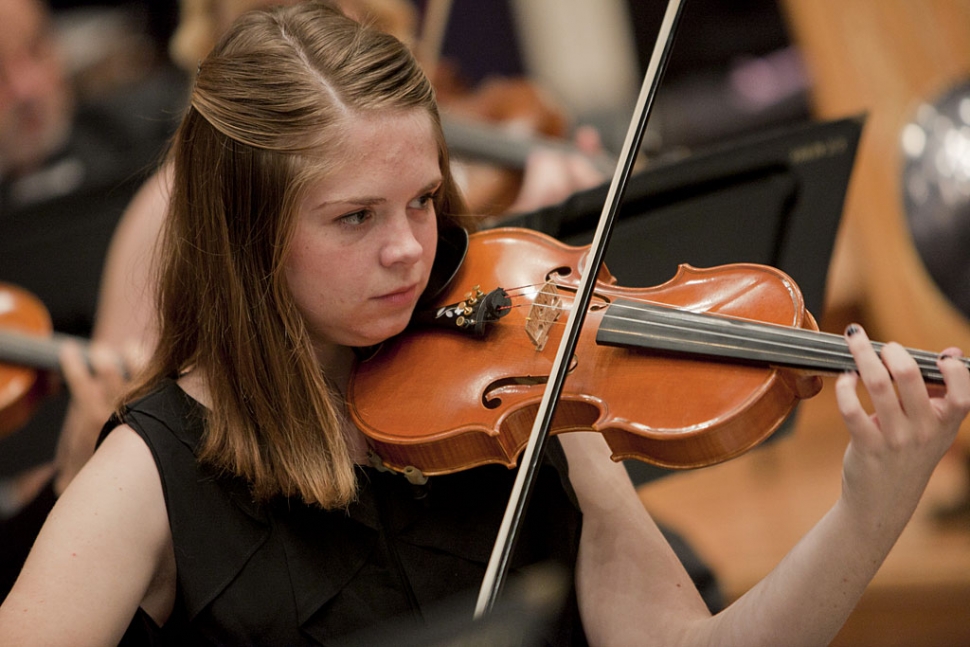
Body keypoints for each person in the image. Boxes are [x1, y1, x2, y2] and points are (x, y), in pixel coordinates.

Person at [2, 2, 968, 645]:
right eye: (355, 218)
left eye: (422, 200)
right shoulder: (149, 474)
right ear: (246, 236)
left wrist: (869, 507)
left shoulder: (523, 380)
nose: (409, 250)